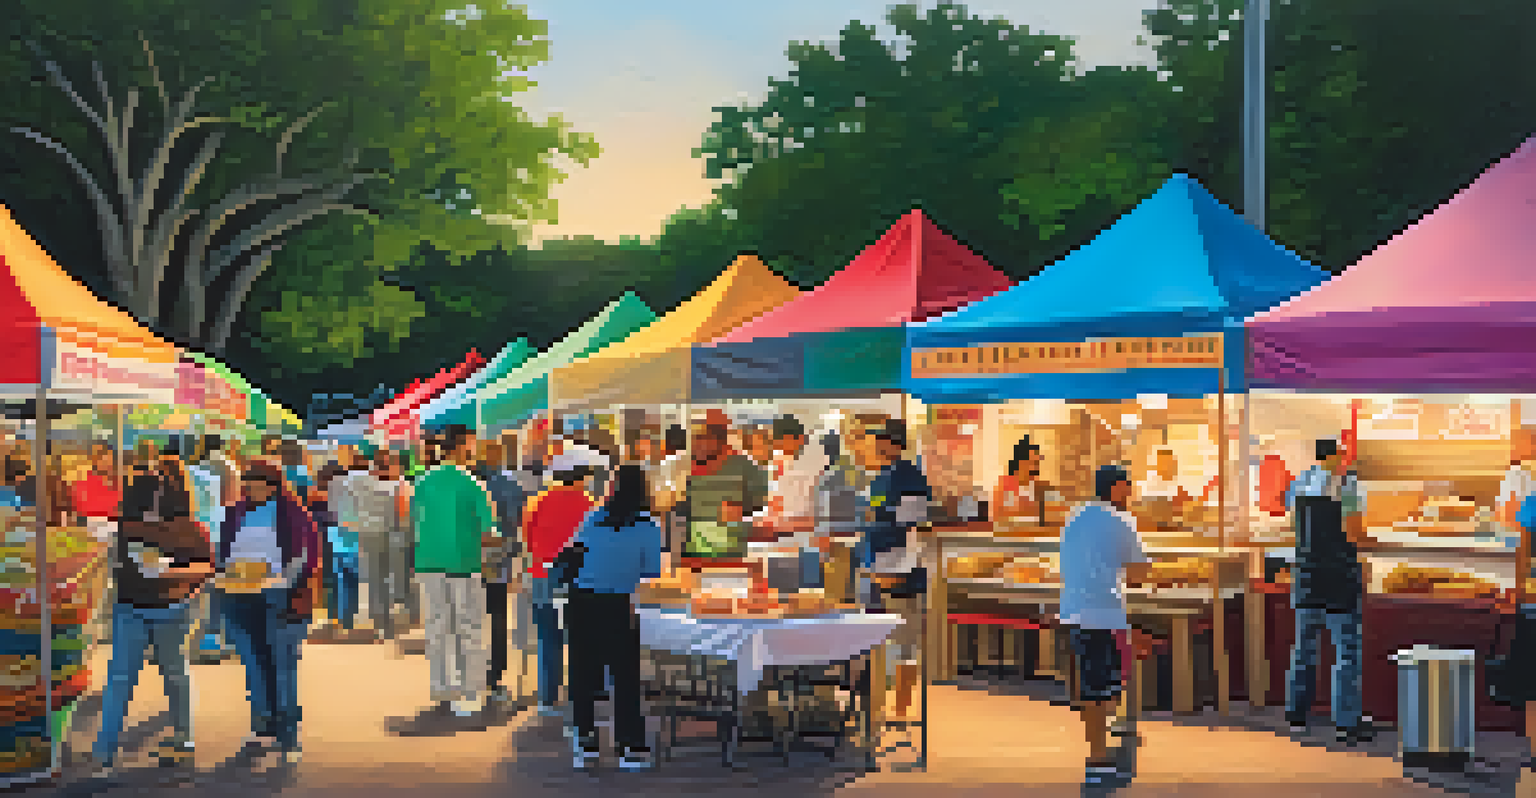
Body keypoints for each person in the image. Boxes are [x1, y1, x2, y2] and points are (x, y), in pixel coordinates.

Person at [89, 452, 210, 778]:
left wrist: (168, 572)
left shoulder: (187, 528)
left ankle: (183, 738)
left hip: (172, 608)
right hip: (131, 608)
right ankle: (104, 751)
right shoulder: (124, 528)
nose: (153, 504)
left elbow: (204, 567)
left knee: (172, 673)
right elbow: (112, 563)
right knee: (122, 677)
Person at [556, 464, 662, 771]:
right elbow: (651, 573)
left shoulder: (595, 516)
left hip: (582, 600)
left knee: (583, 672)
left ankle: (585, 743)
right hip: (622, 603)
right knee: (625, 675)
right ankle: (630, 747)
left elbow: (573, 551)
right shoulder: (648, 526)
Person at [217, 460, 320, 763]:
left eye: (260, 481)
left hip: (281, 596)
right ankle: (262, 727)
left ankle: (288, 736)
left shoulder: (293, 515)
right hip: (239, 595)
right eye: (249, 481)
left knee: (283, 665)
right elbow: (223, 550)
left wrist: (289, 582)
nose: (253, 486)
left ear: (275, 484)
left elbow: (306, 555)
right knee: (254, 663)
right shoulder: (235, 512)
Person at [1059, 465, 1151, 787]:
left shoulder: (1074, 517)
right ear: (1115, 489)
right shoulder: (1122, 521)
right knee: (1106, 688)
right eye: (1127, 487)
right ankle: (1097, 758)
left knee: (1090, 686)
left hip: (1074, 610)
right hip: (1106, 612)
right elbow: (1140, 574)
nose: (1131, 493)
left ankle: (1099, 747)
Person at [1284, 438, 1374, 745]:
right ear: (1335, 456)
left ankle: (1296, 716)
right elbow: (1354, 532)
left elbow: (1293, 524)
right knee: (1346, 652)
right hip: (1338, 576)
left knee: (1304, 648)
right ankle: (1346, 723)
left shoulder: (1299, 483)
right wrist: (1368, 538)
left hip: (1307, 574)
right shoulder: (1346, 485)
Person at [413, 424, 498, 716]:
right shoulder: (472, 484)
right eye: (472, 445)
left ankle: (442, 689)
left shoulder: (423, 481)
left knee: (437, 628)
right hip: (464, 562)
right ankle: (470, 692)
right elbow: (489, 532)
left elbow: (412, 519)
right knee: (470, 628)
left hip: (428, 562)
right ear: (462, 446)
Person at [853, 418, 930, 721]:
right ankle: (878, 706)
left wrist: (878, 514)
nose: (875, 444)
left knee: (904, 642)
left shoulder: (909, 475)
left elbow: (914, 520)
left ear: (893, 442)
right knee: (879, 641)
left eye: (880, 438)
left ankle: (899, 708)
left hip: (901, 570)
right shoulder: (880, 477)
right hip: (875, 567)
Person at [521, 453, 596, 715]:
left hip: (543, 574)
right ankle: (579, 694)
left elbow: (528, 540)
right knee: (580, 637)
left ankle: (547, 699)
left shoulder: (537, 501)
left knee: (548, 637)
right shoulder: (589, 504)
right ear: (579, 476)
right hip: (578, 577)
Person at [476, 439, 527, 703]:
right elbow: (520, 524)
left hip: (468, 558)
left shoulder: (471, 482)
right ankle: (494, 675)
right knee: (497, 617)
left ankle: (471, 672)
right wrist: (513, 553)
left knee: (470, 616)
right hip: (498, 559)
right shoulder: (512, 486)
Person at [347, 449, 416, 639]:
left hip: (370, 536)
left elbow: (352, 510)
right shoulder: (401, 484)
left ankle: (381, 623)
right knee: (392, 579)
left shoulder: (360, 483)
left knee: (376, 580)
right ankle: (389, 622)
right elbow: (405, 512)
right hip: (392, 535)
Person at [683, 412, 768, 558]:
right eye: (694, 438)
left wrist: (738, 509)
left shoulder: (743, 466)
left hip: (728, 548)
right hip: (695, 549)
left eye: (702, 438)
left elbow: (759, 503)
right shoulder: (687, 467)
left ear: (719, 439)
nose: (696, 444)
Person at [311, 464, 361, 635]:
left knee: (339, 584)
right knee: (344, 585)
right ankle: (343, 621)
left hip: (336, 547)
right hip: (342, 546)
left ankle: (340, 621)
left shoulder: (325, 500)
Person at [994, 436, 1067, 526]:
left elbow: (1059, 519)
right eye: (1032, 463)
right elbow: (998, 519)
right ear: (1020, 462)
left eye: (1037, 463)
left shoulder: (1042, 488)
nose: (1035, 468)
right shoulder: (1004, 486)